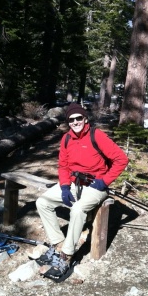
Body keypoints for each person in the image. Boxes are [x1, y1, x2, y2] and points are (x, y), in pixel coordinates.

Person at [32, 102, 129, 280]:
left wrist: (104, 181)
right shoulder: (67, 138)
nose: (75, 122)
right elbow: (63, 166)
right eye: (71, 120)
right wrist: (64, 187)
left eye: (79, 118)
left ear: (85, 119)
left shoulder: (96, 136)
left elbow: (121, 159)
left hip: (95, 186)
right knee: (42, 202)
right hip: (74, 183)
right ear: (68, 122)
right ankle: (59, 244)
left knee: (77, 209)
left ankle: (67, 255)